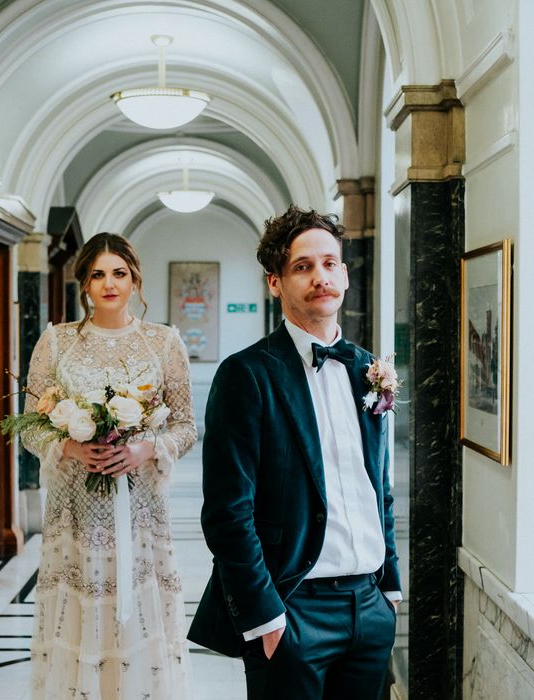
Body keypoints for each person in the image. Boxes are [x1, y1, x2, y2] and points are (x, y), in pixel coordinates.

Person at [188, 206, 401, 699]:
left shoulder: (367, 369)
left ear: (345, 274)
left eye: (330, 264)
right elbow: (227, 512)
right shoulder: (247, 375)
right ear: (276, 283)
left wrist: (388, 590)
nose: (320, 277)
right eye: (302, 267)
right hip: (293, 607)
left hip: (369, 609)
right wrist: (266, 615)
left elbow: (380, 487)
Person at [22, 232, 197, 699]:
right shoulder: (57, 344)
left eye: (119, 273)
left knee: (137, 617)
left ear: (135, 280)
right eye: (97, 274)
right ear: (83, 284)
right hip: (74, 512)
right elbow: (29, 426)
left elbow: (185, 426)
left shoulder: (163, 343)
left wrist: (146, 449)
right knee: (79, 619)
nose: (109, 283)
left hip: (140, 512)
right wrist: (71, 448)